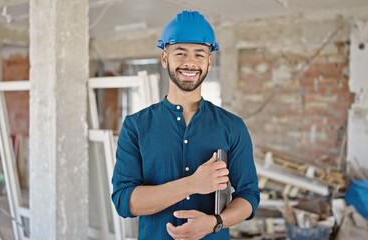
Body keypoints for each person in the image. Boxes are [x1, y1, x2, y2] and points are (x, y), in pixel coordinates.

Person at [111, 10, 260, 240]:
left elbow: (249, 196)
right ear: (164, 58)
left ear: (209, 62)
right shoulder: (136, 127)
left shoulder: (233, 127)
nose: (190, 63)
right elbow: (124, 201)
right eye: (180, 53)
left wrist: (215, 223)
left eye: (199, 54)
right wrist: (192, 184)